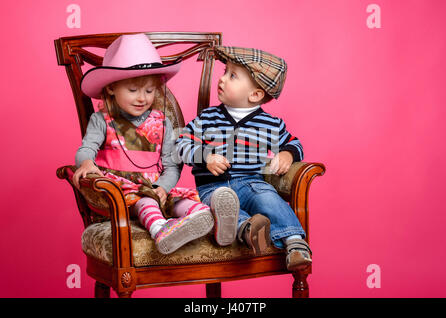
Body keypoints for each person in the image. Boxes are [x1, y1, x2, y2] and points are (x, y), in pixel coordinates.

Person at [73, 33, 225, 255]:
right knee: (146, 202)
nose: (142, 98)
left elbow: (171, 166)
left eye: (149, 90)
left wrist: (162, 187)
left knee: (179, 201)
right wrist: (86, 163)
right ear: (111, 88)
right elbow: (86, 148)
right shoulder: (102, 120)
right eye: (133, 90)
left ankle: (203, 218)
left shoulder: (162, 124)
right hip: (121, 193)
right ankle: (161, 230)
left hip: (155, 186)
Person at [176, 46, 312, 270]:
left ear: (255, 94)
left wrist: (288, 153)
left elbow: (295, 142)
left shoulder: (270, 124)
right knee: (224, 208)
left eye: (232, 76)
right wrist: (206, 157)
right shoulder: (208, 118)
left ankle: (295, 243)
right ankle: (248, 230)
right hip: (213, 188)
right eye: (224, 71)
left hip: (252, 184)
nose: (221, 79)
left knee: (268, 198)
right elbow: (180, 143)